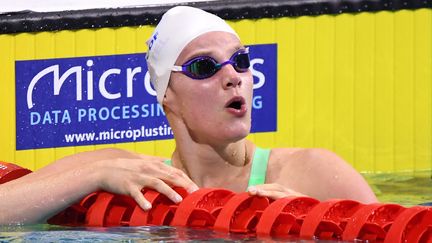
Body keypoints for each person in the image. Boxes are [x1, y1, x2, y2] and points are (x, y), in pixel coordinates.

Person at [0, 6, 377, 225]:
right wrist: (95, 175)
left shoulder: (310, 173)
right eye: (203, 67)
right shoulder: (119, 169)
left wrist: (311, 219)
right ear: (166, 93)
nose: (233, 77)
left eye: (241, 61)